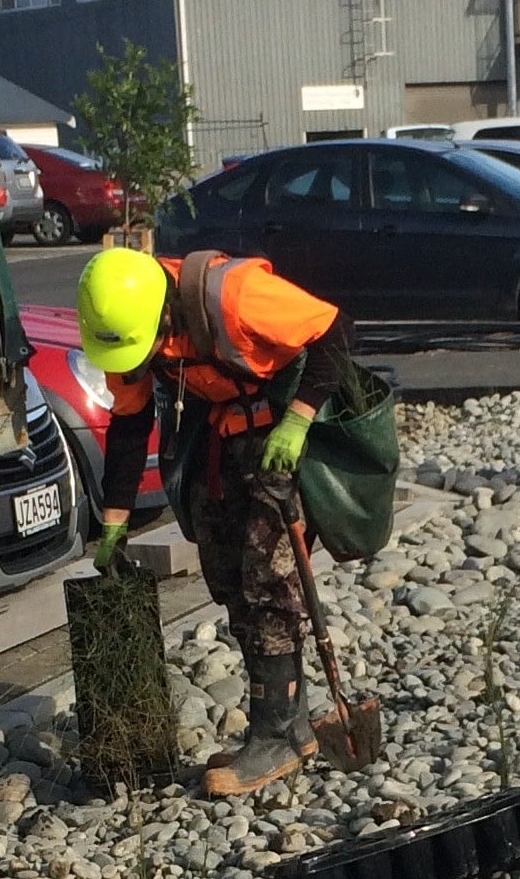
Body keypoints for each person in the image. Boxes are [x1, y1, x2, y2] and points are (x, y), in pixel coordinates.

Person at [77, 243, 348, 794]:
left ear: (164, 311)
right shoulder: (124, 328)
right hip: (216, 446)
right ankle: (289, 725)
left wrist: (297, 421)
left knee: (268, 584)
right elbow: (130, 428)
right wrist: (114, 521)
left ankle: (274, 737)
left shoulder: (237, 297)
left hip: (279, 442)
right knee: (228, 580)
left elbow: (335, 332)